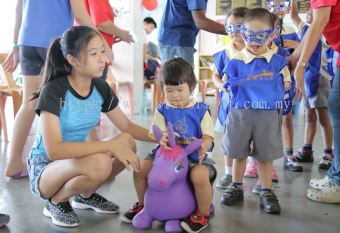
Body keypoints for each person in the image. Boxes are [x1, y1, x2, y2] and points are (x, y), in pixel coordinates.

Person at [27, 26, 153, 227]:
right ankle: (56, 201)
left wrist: (159, 136)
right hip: (46, 167)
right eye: (94, 53)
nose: (102, 59)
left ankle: (85, 195)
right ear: (73, 60)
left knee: (127, 142)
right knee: (102, 161)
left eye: (102, 51)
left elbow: (127, 126)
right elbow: (55, 150)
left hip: (76, 160)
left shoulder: (100, 88)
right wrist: (109, 146)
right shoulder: (54, 90)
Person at [2, 0, 114, 179]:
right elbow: (80, 14)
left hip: (27, 42)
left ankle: (14, 162)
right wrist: (102, 43)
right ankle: (86, 152)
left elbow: (18, 9)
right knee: (75, 97)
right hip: (55, 44)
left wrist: (15, 46)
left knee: (29, 103)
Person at [121, 58, 216, 233]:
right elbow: (156, 131)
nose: (175, 95)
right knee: (140, 169)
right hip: (164, 158)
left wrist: (205, 144)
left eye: (180, 90)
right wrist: (162, 138)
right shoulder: (162, 109)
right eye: (169, 90)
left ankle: (201, 215)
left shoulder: (201, 110)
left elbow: (208, 135)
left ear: (191, 87)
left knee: (200, 176)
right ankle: (144, 205)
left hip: (194, 158)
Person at [220, 8, 291, 214]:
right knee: (238, 152)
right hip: (240, 113)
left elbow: (286, 84)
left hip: (267, 114)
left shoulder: (277, 61)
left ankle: (266, 190)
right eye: (250, 35)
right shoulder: (236, 60)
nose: (255, 41)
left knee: (265, 155)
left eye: (262, 35)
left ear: (273, 35)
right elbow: (225, 83)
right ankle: (236, 186)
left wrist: (268, 83)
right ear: (242, 33)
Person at [290, 0, 340, 205]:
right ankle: (337, 175)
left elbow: (320, 20)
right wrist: (296, 59)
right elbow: (312, 26)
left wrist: (300, 65)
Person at [290, 0, 333, 170]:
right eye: (308, 11)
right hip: (306, 79)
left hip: (322, 78)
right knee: (309, 116)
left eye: (313, 11)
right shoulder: (305, 30)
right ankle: (307, 149)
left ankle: (328, 151)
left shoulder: (326, 31)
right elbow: (293, 16)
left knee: (323, 117)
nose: (310, 12)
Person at [212, 7, 248, 189]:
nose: (235, 31)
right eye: (231, 27)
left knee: (252, 138)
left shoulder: (256, 51)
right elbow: (215, 75)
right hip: (229, 105)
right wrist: (220, 85)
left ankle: (251, 168)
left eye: (239, 26)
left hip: (251, 105)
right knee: (229, 138)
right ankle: (228, 173)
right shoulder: (223, 53)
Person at [265, 0, 301, 173]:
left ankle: (288, 155)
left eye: (282, 5)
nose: (277, 9)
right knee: (265, 122)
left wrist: (295, 47)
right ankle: (263, 159)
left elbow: (297, 58)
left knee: (287, 118)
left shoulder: (293, 33)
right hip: (265, 85)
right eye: (273, 4)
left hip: (285, 81)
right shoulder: (260, 33)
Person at [158, 0, 227, 66]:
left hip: (176, 38)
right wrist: (233, 30)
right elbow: (200, 22)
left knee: (184, 75)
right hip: (176, 39)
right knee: (182, 76)